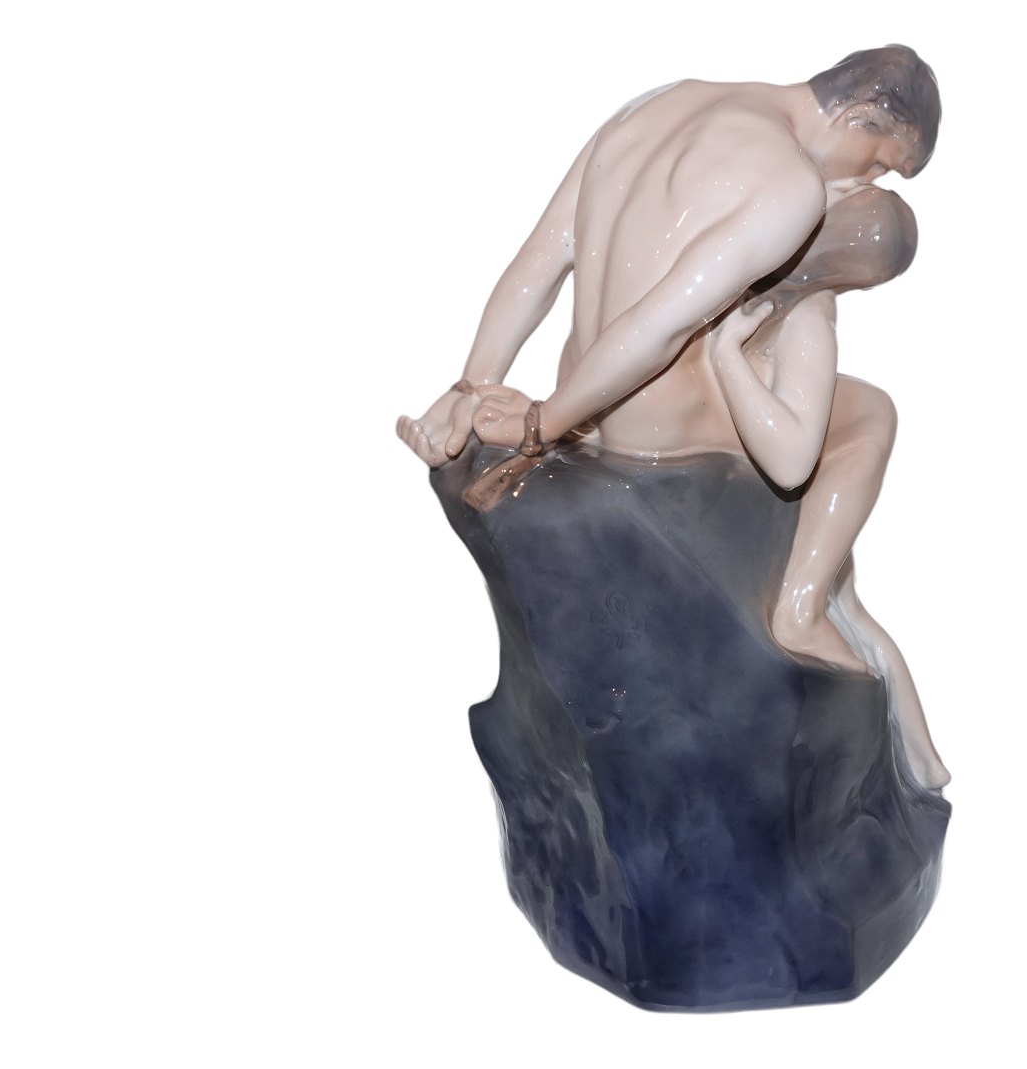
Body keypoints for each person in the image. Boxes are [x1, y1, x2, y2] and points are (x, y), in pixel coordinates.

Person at [472, 186, 950, 790]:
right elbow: (766, 444)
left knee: (832, 592)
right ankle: (899, 735)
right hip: (704, 455)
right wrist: (545, 419)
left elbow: (786, 456)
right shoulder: (760, 267)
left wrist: (725, 357)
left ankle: (908, 752)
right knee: (843, 577)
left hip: (735, 452)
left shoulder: (785, 294)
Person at [396, 45, 940, 465]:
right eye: (880, 164)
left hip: (579, 390)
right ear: (861, 117)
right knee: (868, 417)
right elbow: (658, 327)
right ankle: (798, 586)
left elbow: (543, 257)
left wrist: (474, 384)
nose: (867, 182)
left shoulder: (662, 99)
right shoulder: (793, 188)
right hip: (652, 427)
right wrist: (540, 425)